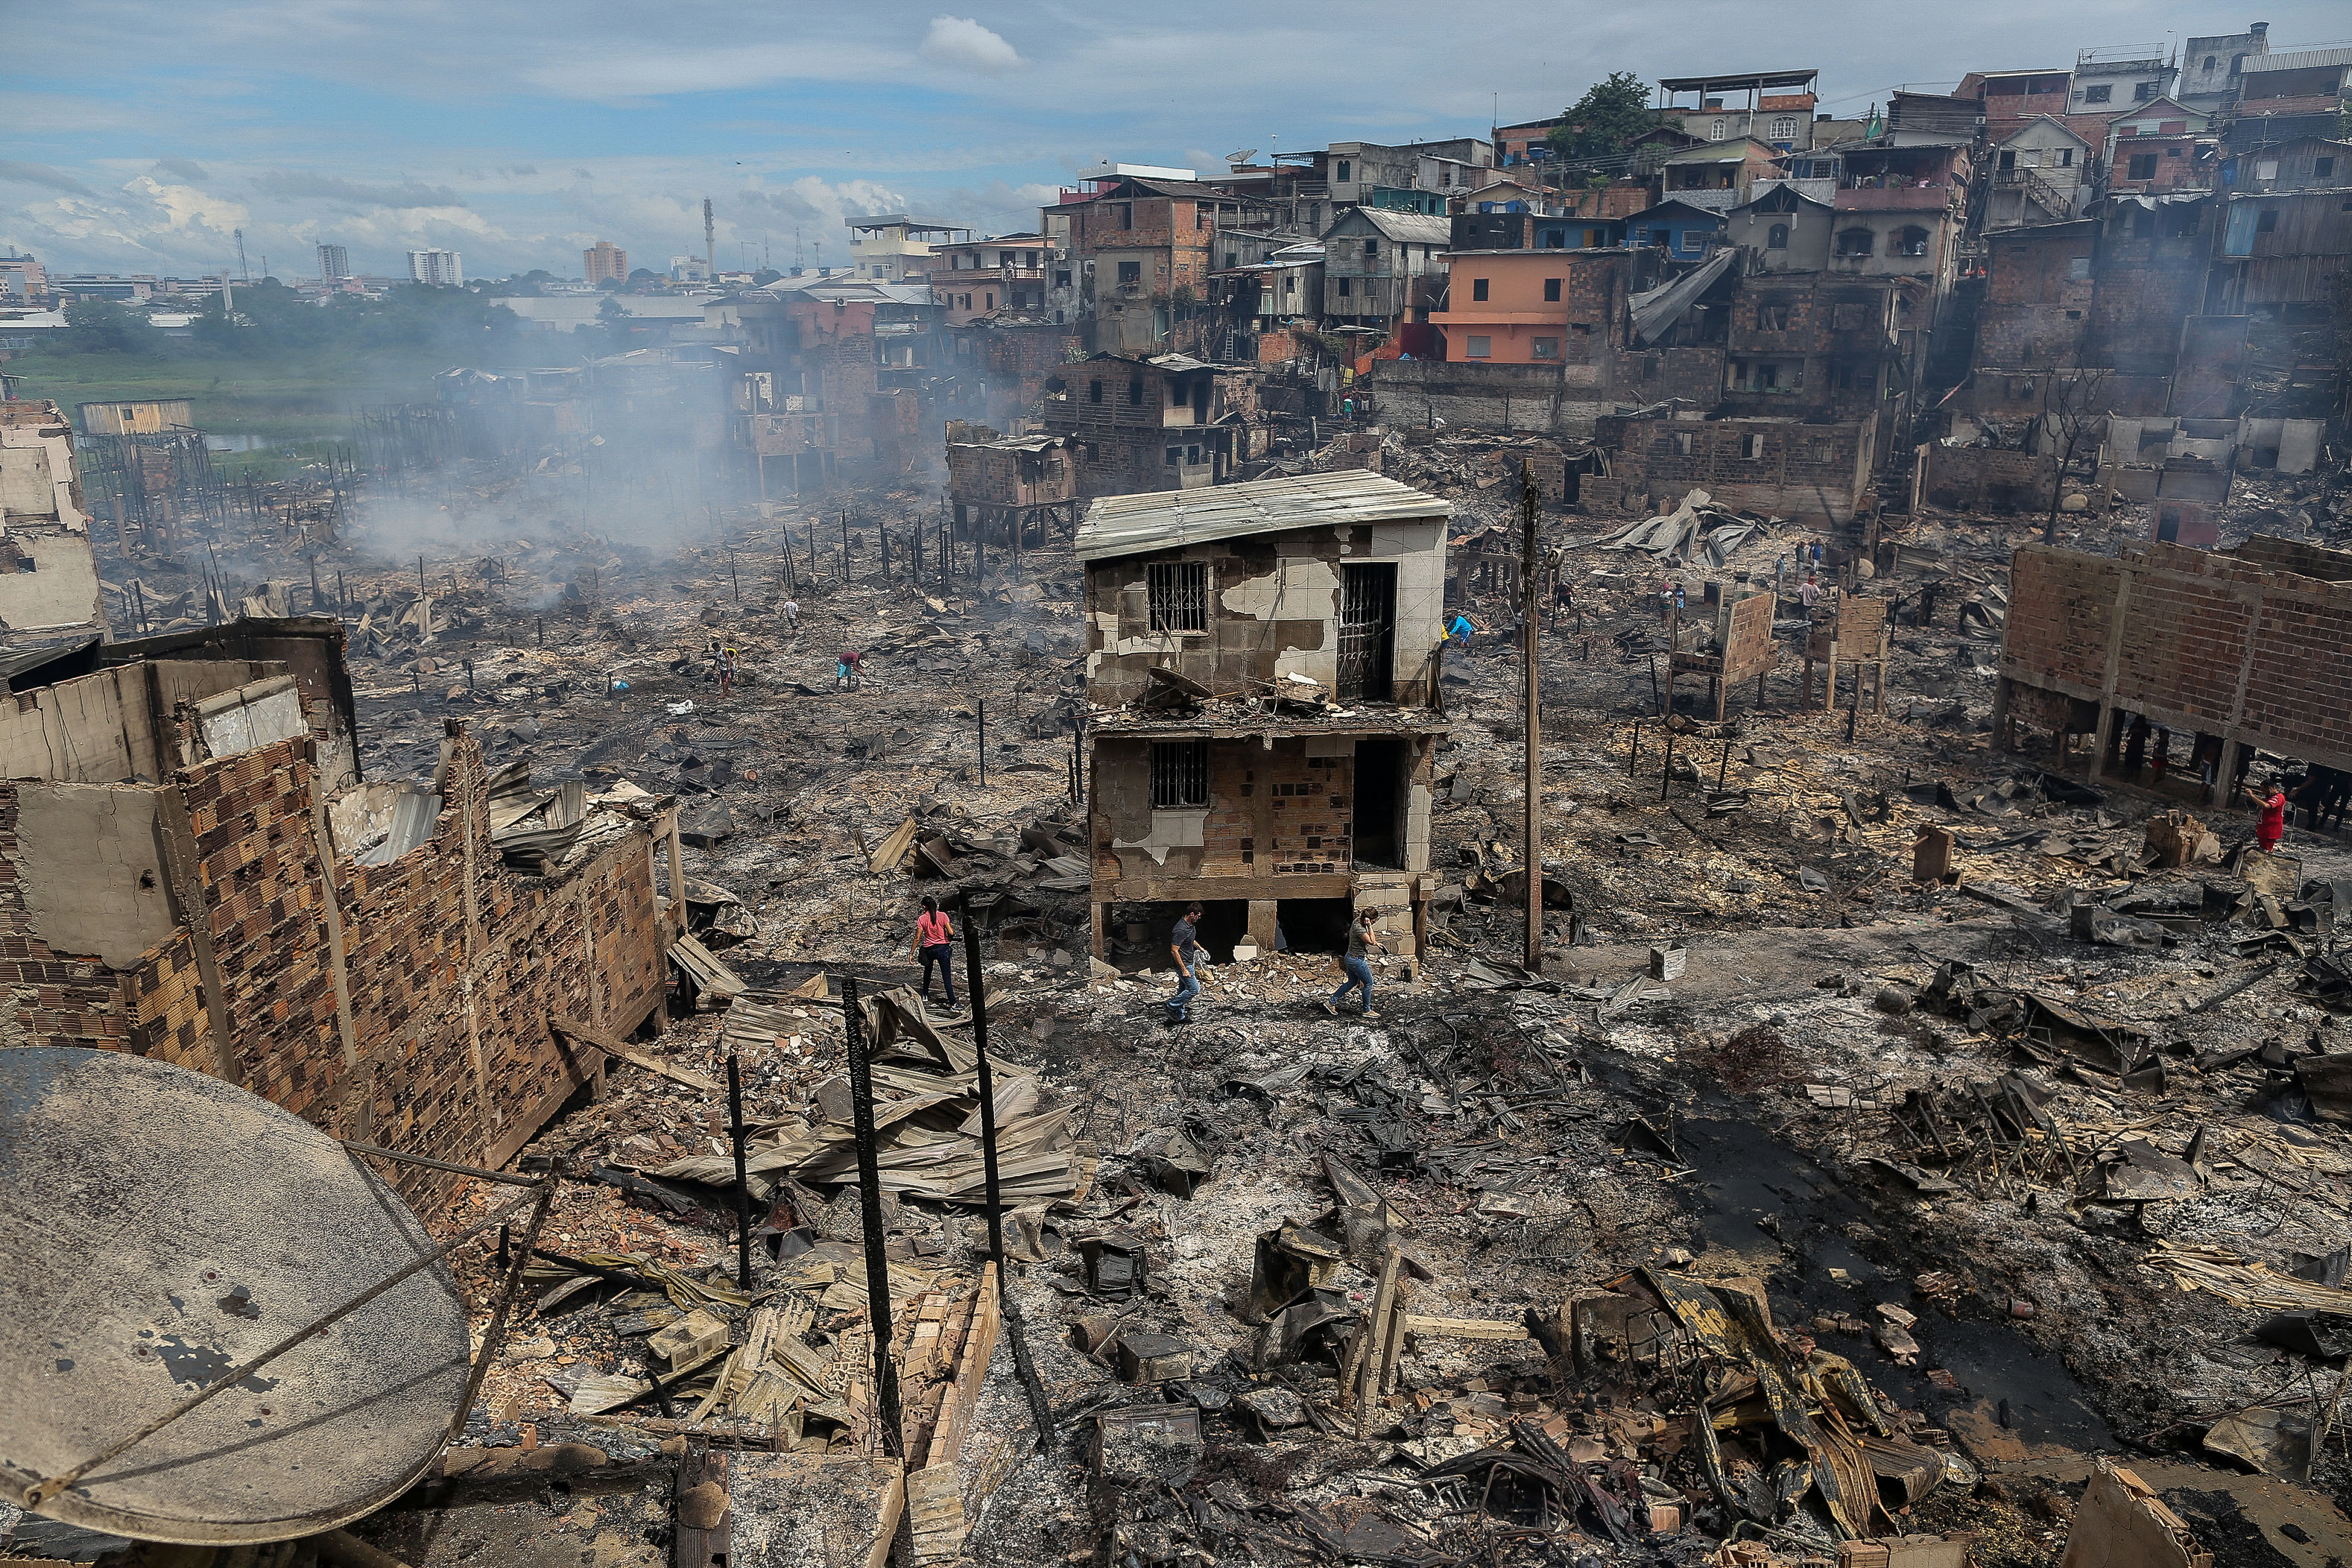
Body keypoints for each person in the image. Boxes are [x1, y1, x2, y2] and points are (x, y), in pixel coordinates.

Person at [1324, 907, 1385, 1019]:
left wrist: (1377, 943)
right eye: (1373, 921)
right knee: (1369, 984)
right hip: (1357, 960)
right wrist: (1370, 928)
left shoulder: (1357, 920)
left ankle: (1331, 1003)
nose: (1374, 922)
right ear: (1368, 919)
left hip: (1350, 957)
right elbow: (1370, 941)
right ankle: (1367, 1010)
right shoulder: (1359, 928)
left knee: (1352, 982)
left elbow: (1369, 941)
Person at [911, 896, 956, 1008]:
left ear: (923, 906)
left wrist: (911, 953)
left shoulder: (922, 919)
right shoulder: (943, 916)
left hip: (929, 949)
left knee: (928, 971)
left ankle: (925, 994)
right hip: (943, 949)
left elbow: (917, 938)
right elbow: (951, 932)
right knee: (946, 977)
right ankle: (953, 1002)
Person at [1165, 902, 1207, 1024]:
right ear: (1192, 914)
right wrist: (1184, 969)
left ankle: (1180, 1016)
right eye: (1198, 916)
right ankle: (1171, 1006)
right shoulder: (1180, 929)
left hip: (1189, 961)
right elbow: (1174, 950)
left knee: (1183, 989)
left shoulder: (1190, 925)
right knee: (1194, 989)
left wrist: (1201, 948)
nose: (1199, 918)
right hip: (1183, 964)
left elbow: (1190, 940)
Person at [2245, 777, 2288, 853]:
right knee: (2262, 848)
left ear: (2270, 789)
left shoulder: (2278, 797)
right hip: (2265, 828)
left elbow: (2266, 806)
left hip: (2270, 830)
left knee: (2266, 851)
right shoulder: (2271, 797)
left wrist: (2252, 796)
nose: (2264, 793)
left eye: (2264, 791)